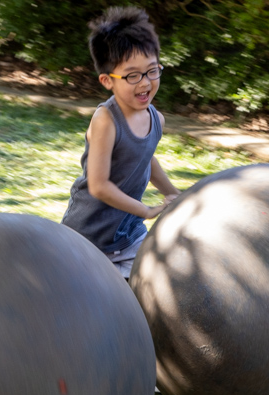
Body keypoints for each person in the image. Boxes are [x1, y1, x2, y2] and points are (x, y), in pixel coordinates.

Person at [61, 6, 180, 278]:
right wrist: (147, 210)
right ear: (107, 81)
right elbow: (99, 186)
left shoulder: (155, 119)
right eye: (132, 75)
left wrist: (175, 194)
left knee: (149, 296)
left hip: (128, 234)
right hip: (89, 235)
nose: (145, 83)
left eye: (152, 71)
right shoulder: (105, 120)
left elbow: (145, 158)